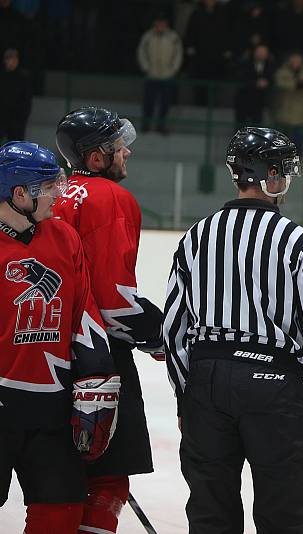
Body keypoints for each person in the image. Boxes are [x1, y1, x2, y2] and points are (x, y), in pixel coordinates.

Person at [162, 127, 303, 533]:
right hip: (271, 381)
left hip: (207, 380)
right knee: (286, 508)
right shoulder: (294, 239)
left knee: (211, 509)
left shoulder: (197, 236)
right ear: (270, 175)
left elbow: (174, 326)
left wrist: (184, 395)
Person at [52, 107, 165, 534]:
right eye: (119, 147)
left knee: (59, 480)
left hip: (46, 350)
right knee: (108, 479)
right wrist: (157, 339)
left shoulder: (54, 192)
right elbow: (114, 301)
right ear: (96, 158)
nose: (127, 153)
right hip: (99, 359)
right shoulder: (110, 198)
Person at [0, 141, 119, 533]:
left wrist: (95, 373)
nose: (59, 194)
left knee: (62, 511)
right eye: (49, 186)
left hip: (52, 406)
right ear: (19, 194)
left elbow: (84, 313)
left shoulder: (64, 237)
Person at [136, 13, 183, 134]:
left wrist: (174, 68)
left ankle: (161, 125)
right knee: (149, 101)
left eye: (163, 23)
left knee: (165, 102)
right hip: (151, 74)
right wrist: (145, 66)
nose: (160, 26)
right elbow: (142, 51)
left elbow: (178, 53)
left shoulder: (173, 37)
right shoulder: (148, 36)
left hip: (167, 75)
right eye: (158, 23)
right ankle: (146, 124)